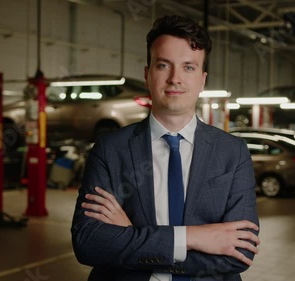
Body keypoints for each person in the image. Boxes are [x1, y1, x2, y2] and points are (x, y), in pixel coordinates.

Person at [71, 15, 260, 281]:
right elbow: (89, 243)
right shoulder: (109, 149)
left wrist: (132, 236)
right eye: (163, 65)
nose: (175, 79)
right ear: (147, 74)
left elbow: (240, 252)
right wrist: (192, 237)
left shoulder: (233, 152)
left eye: (189, 68)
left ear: (203, 80)